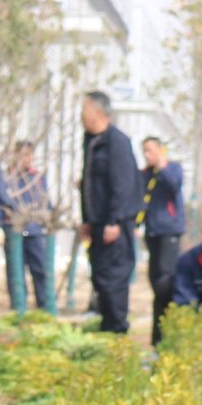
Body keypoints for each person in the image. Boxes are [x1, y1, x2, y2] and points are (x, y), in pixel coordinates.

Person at [79, 91, 140, 334]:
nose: (80, 116)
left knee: (114, 277)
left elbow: (122, 185)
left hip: (115, 223)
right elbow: (89, 184)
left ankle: (117, 330)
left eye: (84, 110)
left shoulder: (117, 142)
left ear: (98, 112)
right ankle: (107, 326)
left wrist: (114, 220)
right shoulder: (91, 140)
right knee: (100, 276)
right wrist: (87, 219)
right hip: (97, 223)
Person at [3, 140, 55, 311]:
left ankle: (43, 305)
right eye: (22, 155)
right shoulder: (7, 178)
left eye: (29, 155)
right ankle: (18, 306)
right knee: (15, 271)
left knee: (39, 269)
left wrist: (49, 218)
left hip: (34, 231)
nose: (26, 159)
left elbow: (46, 202)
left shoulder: (37, 178)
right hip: (14, 231)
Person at [140, 136, 186, 329]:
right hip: (152, 232)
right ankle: (159, 327)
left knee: (165, 281)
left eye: (150, 150)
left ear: (160, 149)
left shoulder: (172, 168)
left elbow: (174, 185)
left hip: (169, 232)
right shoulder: (146, 174)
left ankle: (165, 326)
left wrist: (162, 165)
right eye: (144, 151)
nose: (147, 155)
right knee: (155, 278)